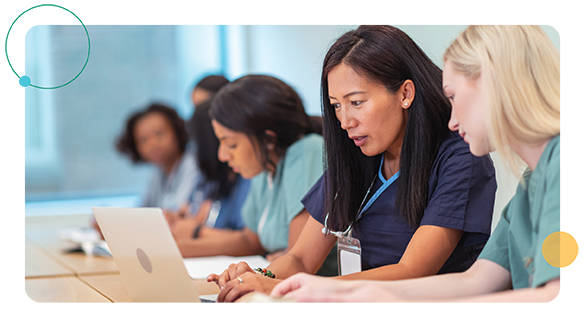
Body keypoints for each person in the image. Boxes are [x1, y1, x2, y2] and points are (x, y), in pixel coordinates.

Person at [271, 25, 579, 303]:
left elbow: (564, 298)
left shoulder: (568, 165)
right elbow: (477, 281)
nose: (453, 119)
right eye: (337, 106)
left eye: (455, 97)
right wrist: (336, 290)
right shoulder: (529, 188)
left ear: (498, 88)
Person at [209, 25, 497, 303]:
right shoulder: (358, 153)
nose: (345, 122)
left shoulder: (459, 157)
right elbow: (301, 258)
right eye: (336, 105)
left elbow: (413, 272)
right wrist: (258, 277)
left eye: (356, 102)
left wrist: (290, 289)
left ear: (405, 94)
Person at [175, 74, 337, 276]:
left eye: (231, 144)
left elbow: (296, 258)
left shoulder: (306, 152)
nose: (222, 155)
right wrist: (173, 250)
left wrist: (260, 272)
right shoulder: (264, 165)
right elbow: (250, 240)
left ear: (267, 139)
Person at [166, 99, 250, 239]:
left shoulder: (247, 176)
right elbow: (199, 218)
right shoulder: (212, 179)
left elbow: (248, 242)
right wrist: (181, 220)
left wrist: (195, 231)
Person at [116, 103, 198, 210]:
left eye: (159, 134)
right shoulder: (159, 172)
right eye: (143, 140)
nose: (152, 144)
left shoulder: (192, 164)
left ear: (177, 131)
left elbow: (176, 213)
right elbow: (142, 210)